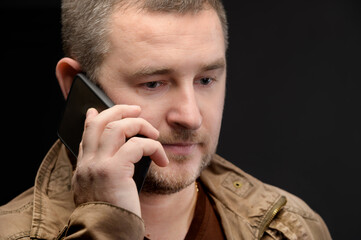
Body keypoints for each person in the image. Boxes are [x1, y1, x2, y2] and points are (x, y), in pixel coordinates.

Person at [0, 0, 331, 239]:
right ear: (74, 86)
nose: (190, 116)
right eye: (153, 83)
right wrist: (105, 228)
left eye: (205, 79)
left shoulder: (293, 228)